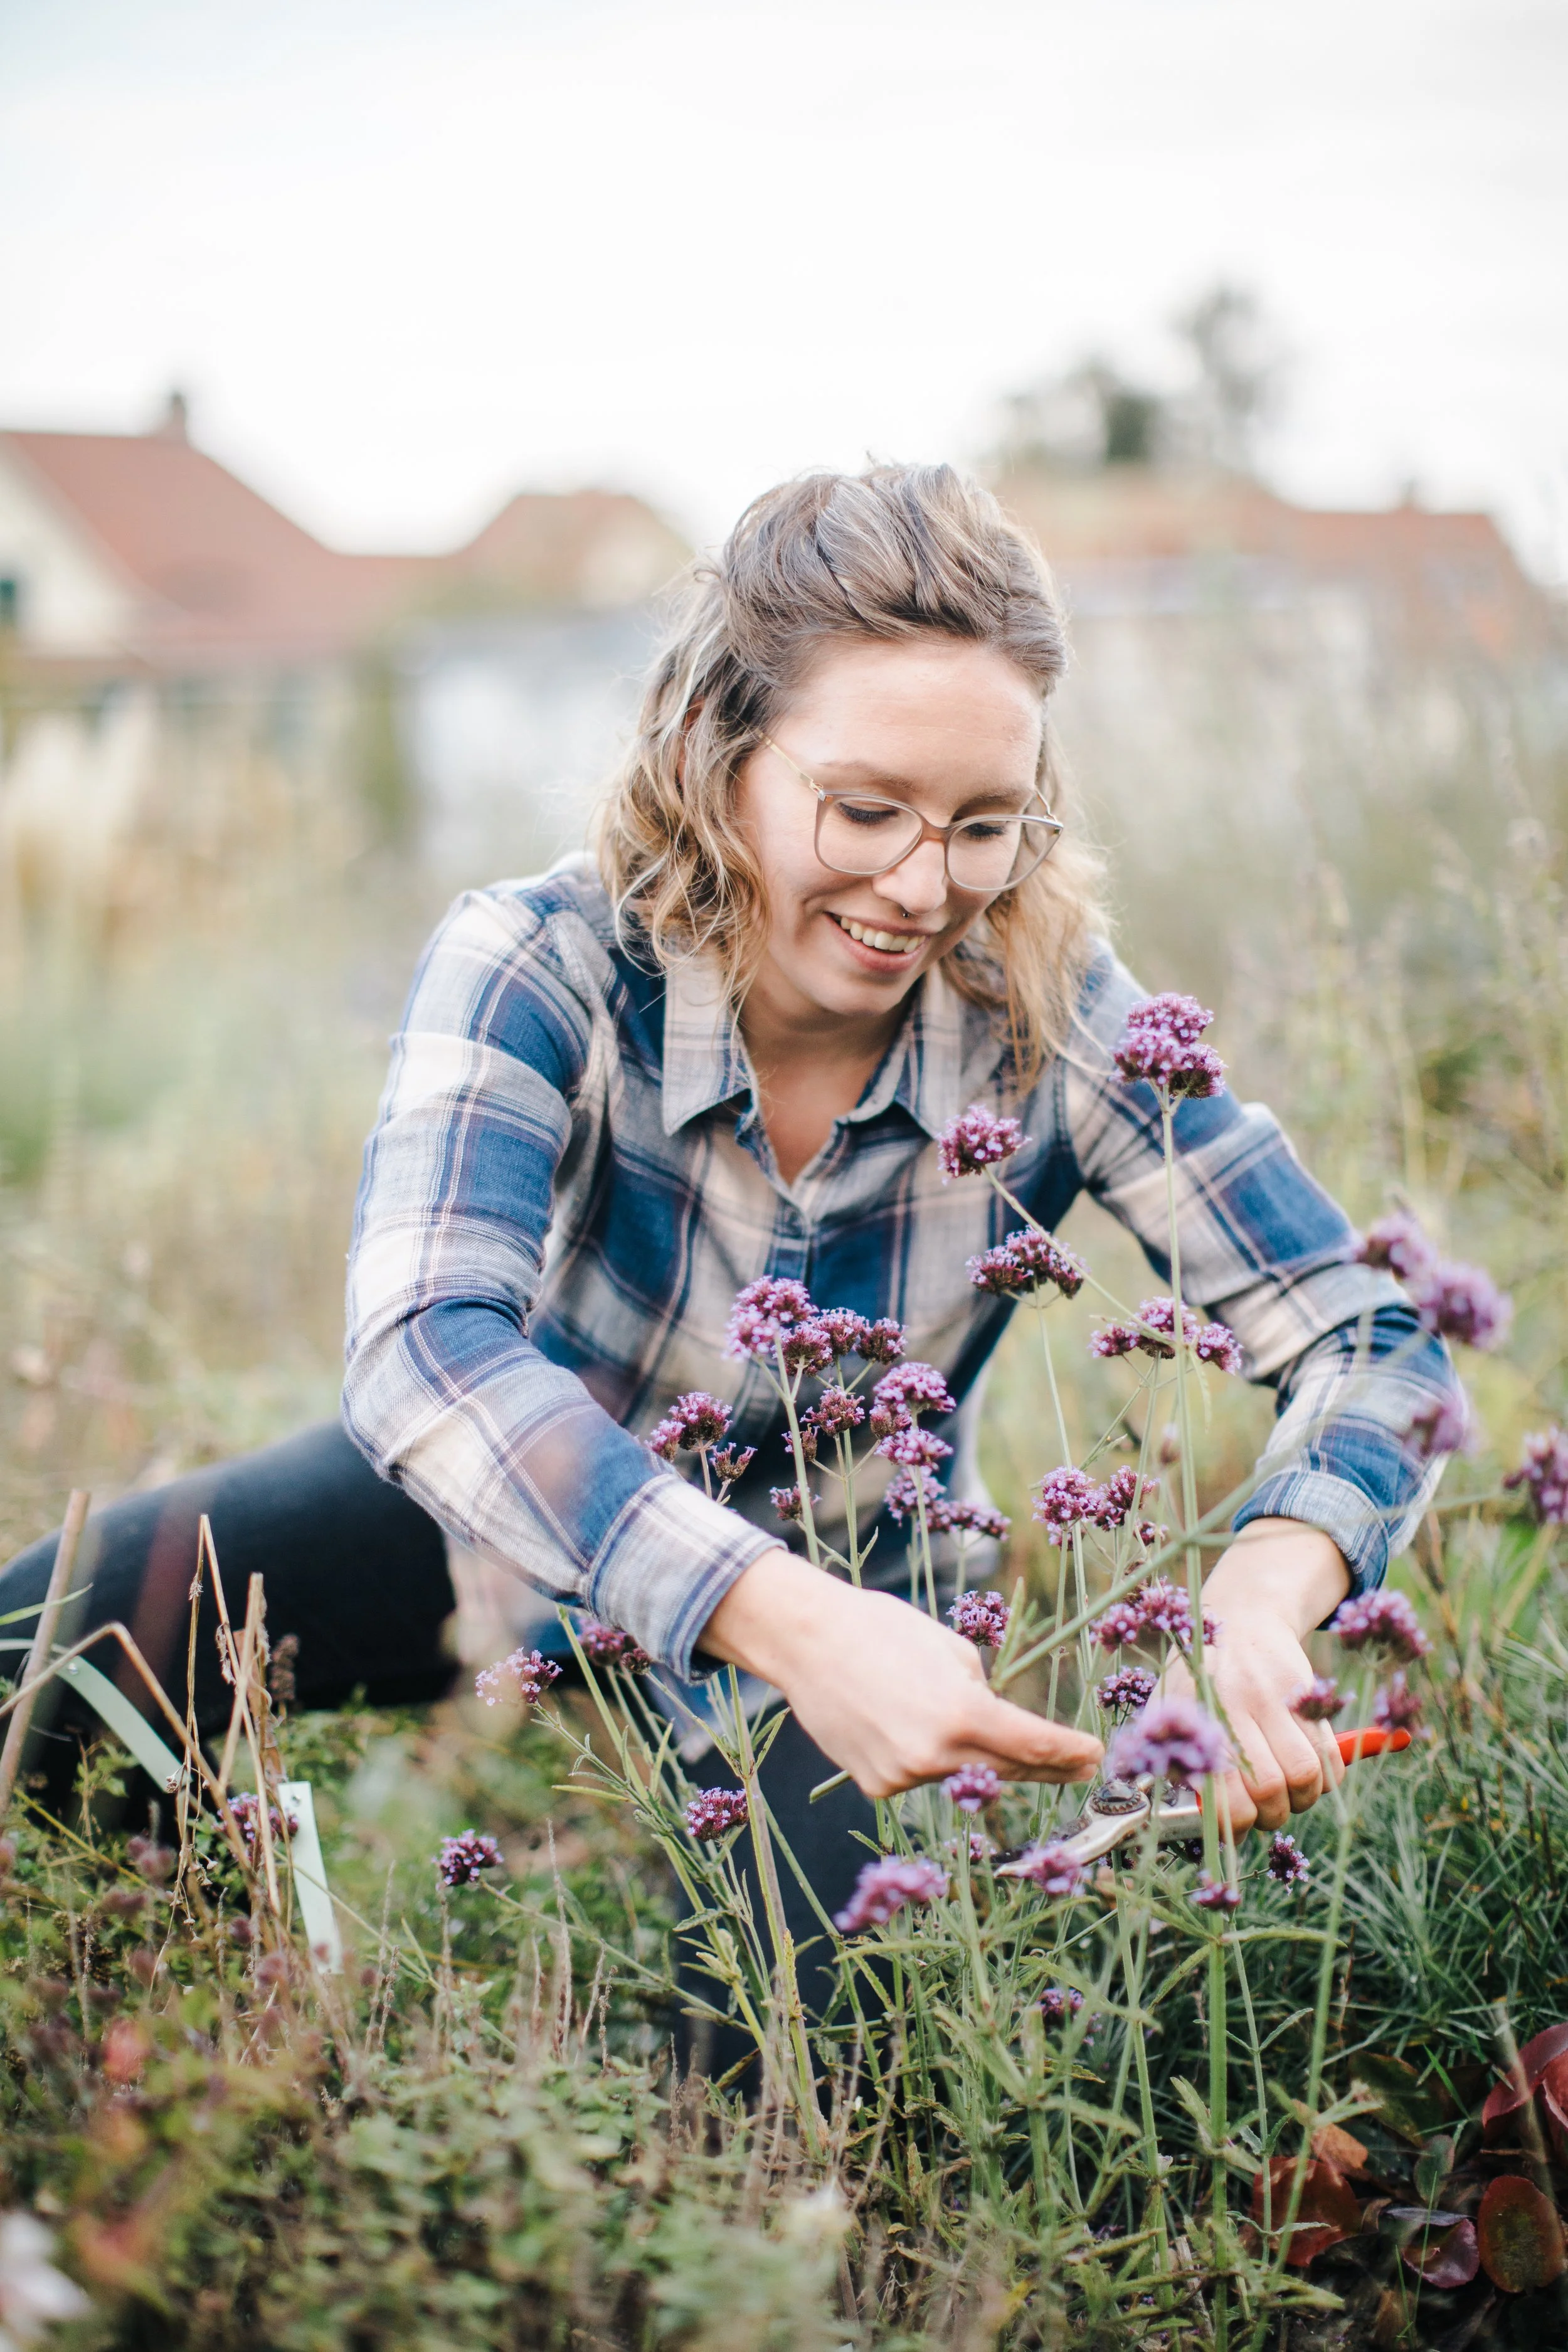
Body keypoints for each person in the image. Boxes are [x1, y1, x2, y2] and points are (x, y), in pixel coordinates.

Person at [1, 464, 1456, 1951]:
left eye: (980, 824)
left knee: (811, 2058)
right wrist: (771, 1609)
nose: (920, 885)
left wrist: (1268, 1591)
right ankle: (183, 1971)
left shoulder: (1058, 1014)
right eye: (866, 809)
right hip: (506, 1528)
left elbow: (1377, 1343)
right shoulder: (544, 960)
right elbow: (424, 1349)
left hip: (865, 1600)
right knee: (37, 1646)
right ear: (718, 751)